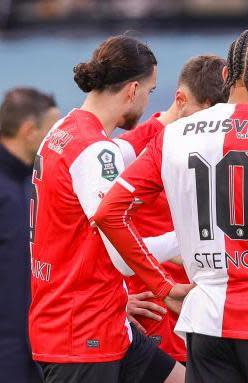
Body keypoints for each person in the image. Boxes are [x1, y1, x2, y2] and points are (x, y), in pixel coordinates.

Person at [93, 29, 248, 383]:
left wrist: (161, 286)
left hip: (204, 322)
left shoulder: (173, 136)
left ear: (226, 76)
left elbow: (108, 212)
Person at [28, 35, 191, 383]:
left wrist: (166, 120)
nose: (148, 102)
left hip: (101, 319)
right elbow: (117, 253)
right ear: (132, 90)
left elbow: (117, 152)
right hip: (82, 332)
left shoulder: (65, 129)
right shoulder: (92, 150)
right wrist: (183, 242)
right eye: (149, 92)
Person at [116, 54, 228, 364]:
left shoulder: (216, 149)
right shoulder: (131, 151)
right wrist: (115, 300)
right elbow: (92, 231)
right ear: (180, 99)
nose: (207, 130)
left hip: (201, 310)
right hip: (151, 313)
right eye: (200, 119)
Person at [0, 87, 59, 383]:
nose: (56, 142)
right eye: (51, 132)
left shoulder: (32, 183)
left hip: (35, 350)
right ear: (28, 130)